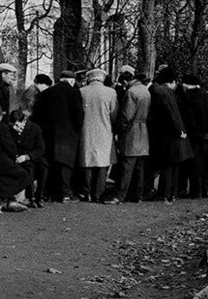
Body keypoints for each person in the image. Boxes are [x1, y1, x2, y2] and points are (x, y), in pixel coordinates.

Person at [31, 70, 83, 203]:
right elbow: (78, 114)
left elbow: (36, 114)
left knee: (49, 163)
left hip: (48, 134)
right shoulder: (74, 93)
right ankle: (65, 193)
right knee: (65, 164)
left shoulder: (46, 93)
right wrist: (78, 130)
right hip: (68, 135)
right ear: (71, 81)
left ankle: (47, 193)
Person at [148, 67, 192, 203]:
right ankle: (171, 193)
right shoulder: (169, 92)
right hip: (176, 135)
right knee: (174, 166)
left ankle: (164, 193)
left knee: (166, 165)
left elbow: (167, 114)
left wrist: (176, 130)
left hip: (168, 135)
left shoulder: (158, 91)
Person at [78, 68, 118, 203]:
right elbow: (114, 114)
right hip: (104, 130)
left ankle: (86, 191)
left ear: (89, 78)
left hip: (86, 130)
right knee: (103, 162)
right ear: (102, 78)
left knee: (87, 161)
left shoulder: (82, 92)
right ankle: (99, 193)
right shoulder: (111, 92)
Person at [115, 72, 150, 203]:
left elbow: (126, 115)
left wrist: (120, 130)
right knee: (139, 166)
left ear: (125, 81)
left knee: (127, 165)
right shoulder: (145, 91)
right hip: (143, 129)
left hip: (131, 131)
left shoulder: (131, 92)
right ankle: (138, 195)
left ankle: (120, 195)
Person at [179, 74, 208, 198]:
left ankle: (195, 191)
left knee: (194, 165)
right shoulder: (207, 96)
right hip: (207, 136)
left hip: (194, 136)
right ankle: (206, 190)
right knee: (205, 165)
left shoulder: (188, 99)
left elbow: (190, 120)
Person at [9, 109, 46, 206]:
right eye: (13, 125)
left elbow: (40, 149)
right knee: (29, 168)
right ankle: (31, 197)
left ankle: (40, 196)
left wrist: (27, 156)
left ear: (24, 121)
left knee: (44, 166)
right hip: (19, 157)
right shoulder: (10, 130)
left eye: (17, 125)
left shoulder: (35, 129)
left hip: (31, 156)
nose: (15, 128)